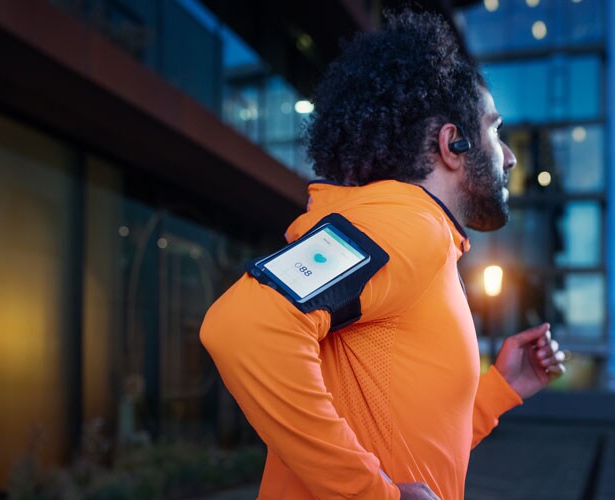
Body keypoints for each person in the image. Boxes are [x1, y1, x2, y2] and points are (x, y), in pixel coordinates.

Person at [199, 9, 566, 500]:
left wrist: (502, 387)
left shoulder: (422, 239)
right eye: (494, 131)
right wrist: (368, 494)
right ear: (451, 144)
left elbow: (412, 441)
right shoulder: (407, 224)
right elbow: (242, 327)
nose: (509, 156)